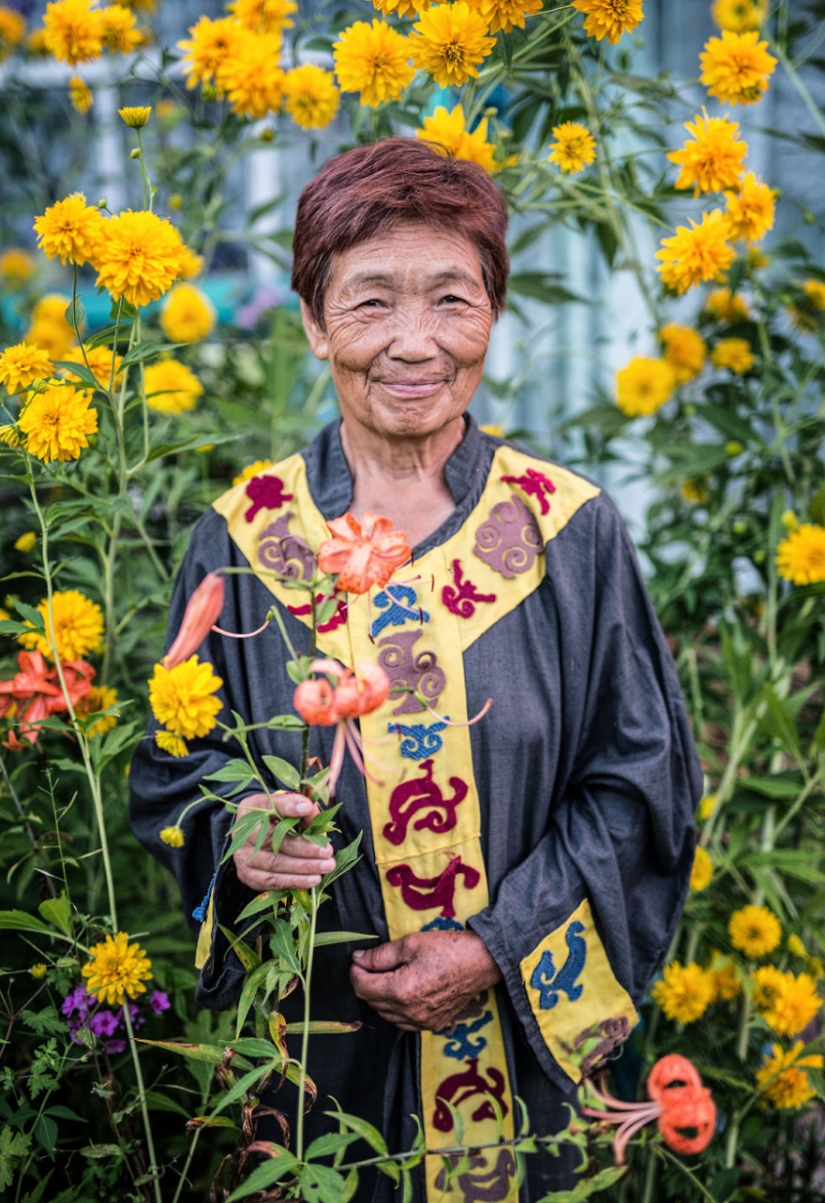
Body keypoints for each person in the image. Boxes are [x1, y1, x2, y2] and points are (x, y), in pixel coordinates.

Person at [129, 137, 702, 1203]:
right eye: (369, 302)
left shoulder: (566, 532)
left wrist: (495, 943)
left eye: (451, 297)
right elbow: (171, 768)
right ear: (312, 322)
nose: (413, 343)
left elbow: (640, 784)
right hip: (318, 1061)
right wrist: (239, 837)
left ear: (492, 314)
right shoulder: (245, 538)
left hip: (528, 1060)